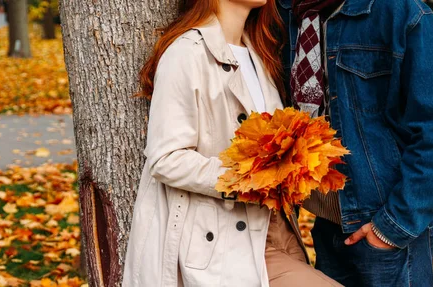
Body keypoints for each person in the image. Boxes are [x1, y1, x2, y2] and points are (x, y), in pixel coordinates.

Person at [123, 0, 341, 286]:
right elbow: (166, 158)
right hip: (223, 242)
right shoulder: (187, 53)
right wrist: (249, 178)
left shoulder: (259, 53)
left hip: (277, 229)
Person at [278, 0, 433, 286]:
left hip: (384, 228)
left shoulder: (401, 13)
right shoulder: (291, 14)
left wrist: (390, 228)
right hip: (327, 227)